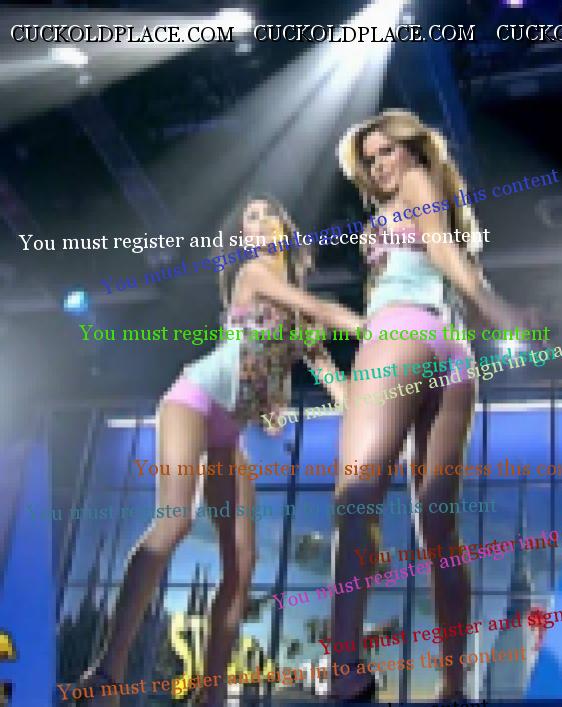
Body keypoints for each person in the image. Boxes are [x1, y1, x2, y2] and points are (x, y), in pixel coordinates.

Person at [77, 196, 361, 707]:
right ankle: (107, 670)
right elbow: (321, 309)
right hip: (192, 401)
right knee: (174, 521)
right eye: (249, 218)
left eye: (266, 214)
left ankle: (210, 695)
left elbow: (334, 382)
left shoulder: (297, 311)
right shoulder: (253, 275)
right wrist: (371, 326)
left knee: (243, 560)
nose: (258, 223)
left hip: (229, 433)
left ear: (285, 227)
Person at [330, 110, 532, 701]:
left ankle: (345, 672)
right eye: (370, 159)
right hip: (452, 354)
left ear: (414, 150)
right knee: (438, 524)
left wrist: (499, 310)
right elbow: (450, 264)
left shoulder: (418, 184)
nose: (378, 166)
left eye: (387, 151)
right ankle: (454, 685)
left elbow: (442, 255)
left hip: (400, 336)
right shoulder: (432, 199)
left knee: (356, 497)